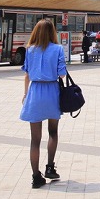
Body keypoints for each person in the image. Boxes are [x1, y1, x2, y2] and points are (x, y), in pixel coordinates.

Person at [20, 18, 66, 188]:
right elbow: (62, 74)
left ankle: (35, 177)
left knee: (35, 140)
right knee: (53, 132)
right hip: (52, 91)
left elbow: (26, 74)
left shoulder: (30, 50)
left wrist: (25, 94)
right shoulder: (58, 49)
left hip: (35, 92)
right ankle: (50, 167)